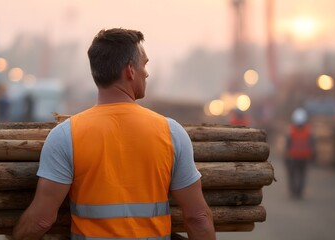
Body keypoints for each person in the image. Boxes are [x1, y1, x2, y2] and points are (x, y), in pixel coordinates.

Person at [12, 28, 215, 240]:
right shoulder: (170, 132)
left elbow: (41, 221)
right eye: (144, 64)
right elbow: (198, 219)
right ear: (130, 70)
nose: (147, 72)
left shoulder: (66, 135)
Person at [285, 108, 315, 199]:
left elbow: (287, 144)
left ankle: (294, 191)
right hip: (303, 157)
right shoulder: (308, 130)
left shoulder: (291, 130)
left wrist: (286, 156)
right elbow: (312, 144)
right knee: (301, 175)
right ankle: (298, 192)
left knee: (293, 175)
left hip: (294, 157)